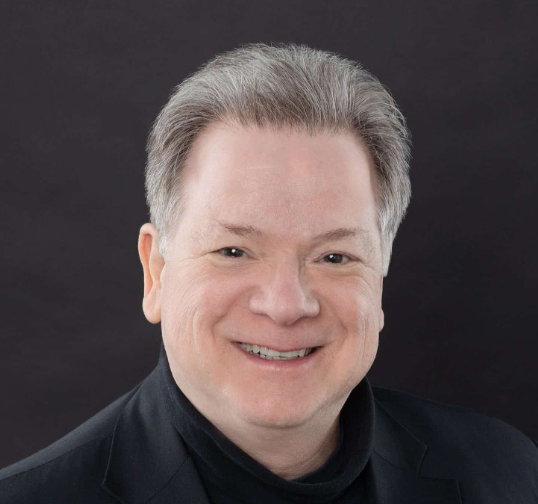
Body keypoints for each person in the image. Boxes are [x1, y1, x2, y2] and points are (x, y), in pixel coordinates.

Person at [0, 42, 536, 504]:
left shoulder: (506, 473)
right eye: (234, 251)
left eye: (334, 257)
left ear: (379, 275)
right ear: (156, 271)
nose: (285, 305)